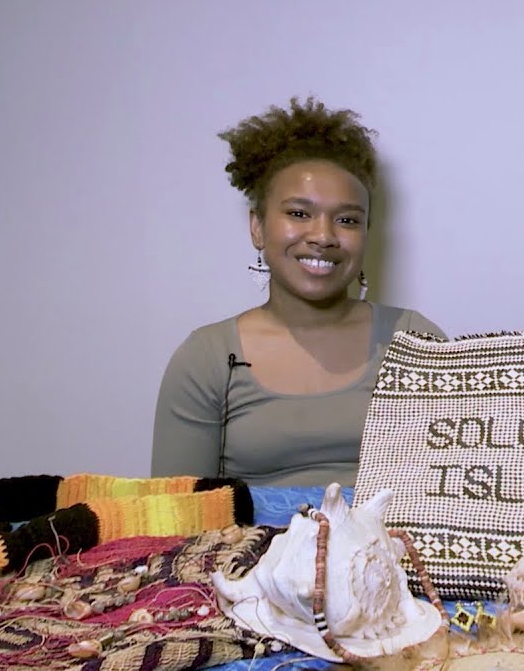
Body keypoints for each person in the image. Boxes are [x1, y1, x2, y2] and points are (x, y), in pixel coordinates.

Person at [151, 97, 445, 487]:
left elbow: (452, 497)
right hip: (252, 547)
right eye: (299, 214)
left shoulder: (413, 341)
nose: (323, 236)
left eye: (346, 220)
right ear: (257, 226)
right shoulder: (207, 359)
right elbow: (174, 519)